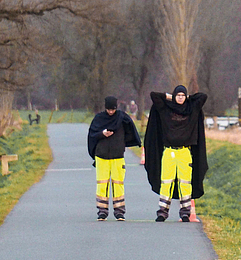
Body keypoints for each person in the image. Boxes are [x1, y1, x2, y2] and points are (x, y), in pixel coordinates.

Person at [144, 85, 208, 222]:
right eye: (178, 95)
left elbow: (203, 97)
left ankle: (185, 212)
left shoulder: (191, 109)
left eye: (182, 95)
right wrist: (170, 97)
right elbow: (154, 95)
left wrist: (188, 98)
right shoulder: (166, 109)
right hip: (169, 151)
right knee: (166, 182)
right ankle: (162, 212)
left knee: (185, 182)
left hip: (185, 151)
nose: (180, 98)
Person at [87, 96, 141, 221]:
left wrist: (123, 143)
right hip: (102, 156)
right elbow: (92, 135)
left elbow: (131, 131)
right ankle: (102, 211)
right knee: (102, 184)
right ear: (105, 108)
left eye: (113, 109)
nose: (111, 112)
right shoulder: (99, 119)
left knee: (118, 184)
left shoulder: (122, 118)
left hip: (118, 156)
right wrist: (102, 134)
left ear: (116, 108)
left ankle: (119, 212)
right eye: (109, 109)